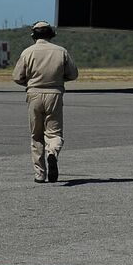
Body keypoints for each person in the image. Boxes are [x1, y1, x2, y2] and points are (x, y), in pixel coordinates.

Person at [12, 20, 78, 183]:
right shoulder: (61, 51)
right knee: (54, 133)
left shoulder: (27, 52)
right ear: (51, 34)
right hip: (54, 94)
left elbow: (17, 77)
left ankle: (40, 174)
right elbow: (73, 74)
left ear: (34, 35)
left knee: (36, 135)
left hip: (33, 94)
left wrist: (29, 83)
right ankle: (52, 153)